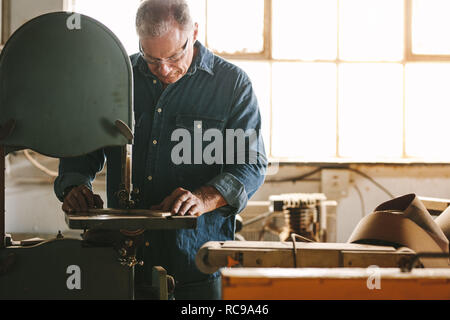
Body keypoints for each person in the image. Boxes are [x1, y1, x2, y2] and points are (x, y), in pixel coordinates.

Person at [54, 0, 267, 300]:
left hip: (195, 266)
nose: (163, 69)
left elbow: (250, 164)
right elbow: (81, 149)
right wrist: (75, 185)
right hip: (119, 261)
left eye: (173, 55)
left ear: (194, 32)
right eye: (151, 58)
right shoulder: (116, 78)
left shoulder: (231, 86)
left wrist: (203, 199)